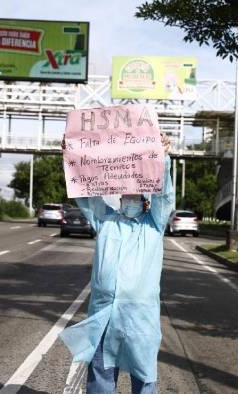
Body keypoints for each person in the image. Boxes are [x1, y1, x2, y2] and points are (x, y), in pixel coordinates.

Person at [59, 132, 174, 394]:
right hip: (104, 315)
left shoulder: (154, 225)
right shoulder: (106, 221)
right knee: (100, 375)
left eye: (135, 196)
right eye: (125, 195)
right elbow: (85, 193)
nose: (128, 199)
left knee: (143, 379)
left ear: (146, 202)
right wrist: (71, 157)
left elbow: (165, 196)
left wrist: (162, 159)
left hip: (140, 319)